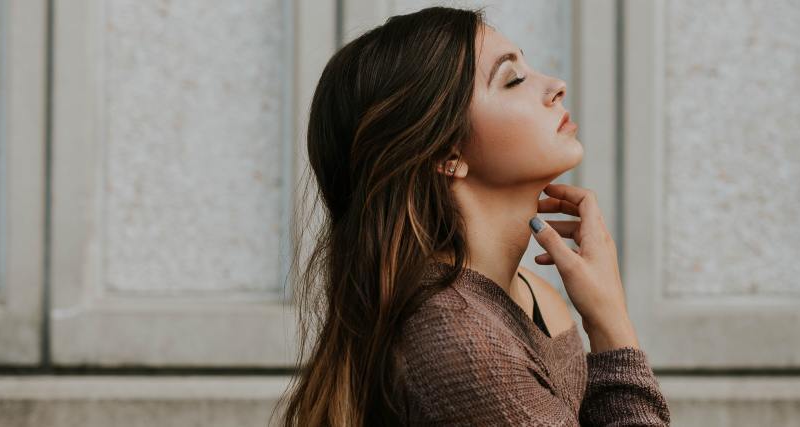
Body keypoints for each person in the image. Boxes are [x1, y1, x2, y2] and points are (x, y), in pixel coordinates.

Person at [277, 6, 670, 426]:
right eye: (512, 80)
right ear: (448, 154)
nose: (556, 86)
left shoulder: (537, 299)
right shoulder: (461, 342)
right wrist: (612, 325)